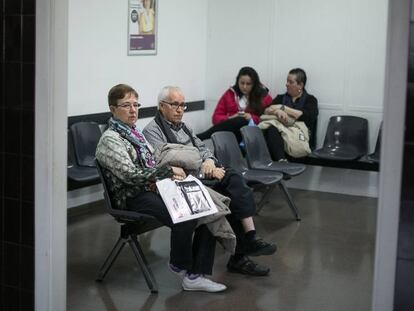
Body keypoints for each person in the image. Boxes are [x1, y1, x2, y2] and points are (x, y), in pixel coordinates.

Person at [95, 84, 226, 293]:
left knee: (205, 206)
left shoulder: (134, 132)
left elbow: (151, 164)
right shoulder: (111, 139)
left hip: (152, 187)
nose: (133, 110)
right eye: (126, 105)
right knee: (186, 213)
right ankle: (181, 265)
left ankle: (195, 274)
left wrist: (167, 173)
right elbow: (129, 176)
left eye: (135, 105)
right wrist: (165, 172)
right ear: (112, 109)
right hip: (132, 196)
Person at [143, 86, 277, 277]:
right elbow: (168, 159)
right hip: (181, 181)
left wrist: (208, 161)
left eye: (183, 105)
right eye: (175, 105)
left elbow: (203, 150)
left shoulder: (186, 127)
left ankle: (250, 237)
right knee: (221, 199)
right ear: (161, 106)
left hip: (201, 173)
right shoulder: (152, 130)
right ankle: (237, 258)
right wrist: (200, 161)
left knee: (234, 179)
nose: (180, 109)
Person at [197, 66, 272, 142]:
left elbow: (269, 119)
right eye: (242, 83)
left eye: (248, 84)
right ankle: (199, 138)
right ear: (237, 82)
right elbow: (215, 118)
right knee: (238, 121)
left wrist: (251, 118)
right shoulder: (230, 93)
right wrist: (231, 118)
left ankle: (200, 137)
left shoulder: (264, 96)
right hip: (231, 132)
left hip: (254, 133)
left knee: (242, 120)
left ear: (254, 84)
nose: (244, 86)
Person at [263, 68, 318, 161]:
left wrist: (282, 107)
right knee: (272, 128)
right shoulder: (280, 98)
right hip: (281, 136)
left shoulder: (310, 100)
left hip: (299, 138)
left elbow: (306, 116)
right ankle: (281, 161)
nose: (286, 84)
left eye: (290, 82)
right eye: (287, 81)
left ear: (300, 85)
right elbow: (266, 110)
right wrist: (276, 111)